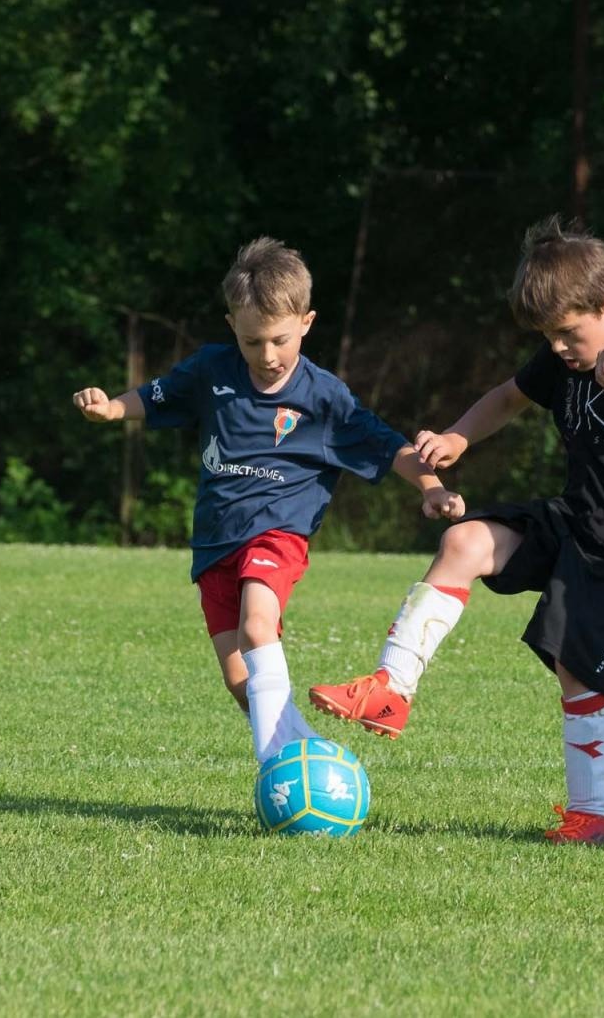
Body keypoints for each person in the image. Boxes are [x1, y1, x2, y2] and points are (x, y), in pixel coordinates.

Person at [309, 216, 604, 844]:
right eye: (550, 337)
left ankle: (593, 817)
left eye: (569, 333)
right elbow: (508, 397)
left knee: (580, 673)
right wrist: (459, 434)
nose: (561, 349)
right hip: (576, 518)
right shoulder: (562, 356)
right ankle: (389, 690)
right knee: (463, 541)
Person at [72, 237, 463, 766]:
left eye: (280, 339)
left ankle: (275, 772)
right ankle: (309, 757)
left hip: (276, 533)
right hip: (214, 544)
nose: (268, 356)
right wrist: (113, 409)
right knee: (239, 680)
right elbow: (159, 395)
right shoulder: (213, 370)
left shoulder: (323, 397)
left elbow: (386, 444)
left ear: (306, 321)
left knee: (259, 626)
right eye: (253, 342)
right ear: (232, 325)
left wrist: (432, 487)